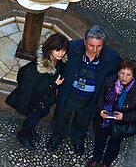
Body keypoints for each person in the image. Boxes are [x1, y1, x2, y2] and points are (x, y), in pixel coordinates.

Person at [48, 25, 120, 154]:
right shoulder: (72, 48)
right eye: (91, 45)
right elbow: (54, 60)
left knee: (83, 121)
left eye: (99, 46)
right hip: (69, 94)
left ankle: (77, 140)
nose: (95, 49)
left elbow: (125, 71)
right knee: (61, 117)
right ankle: (57, 137)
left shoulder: (111, 56)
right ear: (85, 42)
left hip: (90, 99)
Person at [5, 33, 68, 150]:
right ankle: (23, 134)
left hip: (45, 100)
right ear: (50, 49)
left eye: (63, 50)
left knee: (41, 115)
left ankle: (30, 130)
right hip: (35, 102)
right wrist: (54, 85)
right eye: (57, 50)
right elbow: (29, 88)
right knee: (33, 118)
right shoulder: (36, 68)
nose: (61, 54)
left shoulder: (58, 61)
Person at [88, 59, 136, 167]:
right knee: (100, 139)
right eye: (122, 73)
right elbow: (101, 95)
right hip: (105, 119)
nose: (124, 77)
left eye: (128, 74)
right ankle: (96, 158)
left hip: (120, 123)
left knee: (114, 144)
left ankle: (106, 162)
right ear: (118, 72)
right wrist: (101, 109)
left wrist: (124, 116)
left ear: (133, 76)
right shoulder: (110, 80)